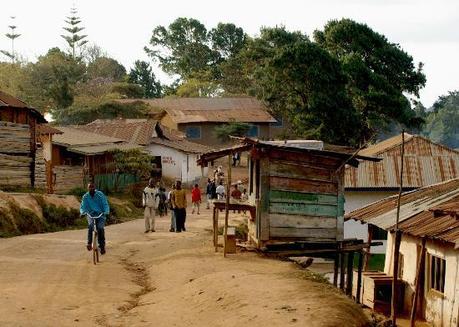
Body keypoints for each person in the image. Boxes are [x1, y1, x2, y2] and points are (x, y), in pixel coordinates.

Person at [80, 183, 110, 255]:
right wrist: (82, 212)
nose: (91, 189)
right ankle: (89, 243)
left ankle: (102, 246)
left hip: (100, 214)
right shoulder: (85, 196)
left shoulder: (100, 194)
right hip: (90, 215)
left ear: (95, 187)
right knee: (90, 226)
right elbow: (82, 206)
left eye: (92, 187)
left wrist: (106, 211)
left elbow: (105, 203)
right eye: (90, 187)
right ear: (88, 188)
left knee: (100, 228)